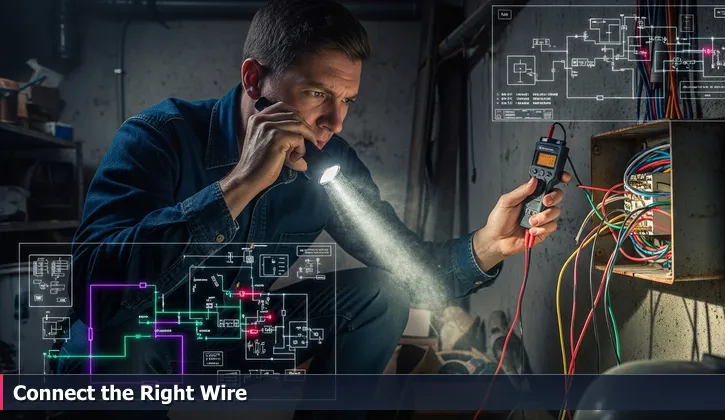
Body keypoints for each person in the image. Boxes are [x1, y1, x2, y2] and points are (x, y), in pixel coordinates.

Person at [58, 0, 570, 418]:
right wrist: (238, 185)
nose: (335, 120)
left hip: (231, 330)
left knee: (382, 293)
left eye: (347, 99)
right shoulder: (159, 137)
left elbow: (407, 266)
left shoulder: (329, 163)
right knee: (128, 338)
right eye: (317, 92)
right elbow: (92, 290)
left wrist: (486, 244)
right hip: (135, 335)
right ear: (254, 79)